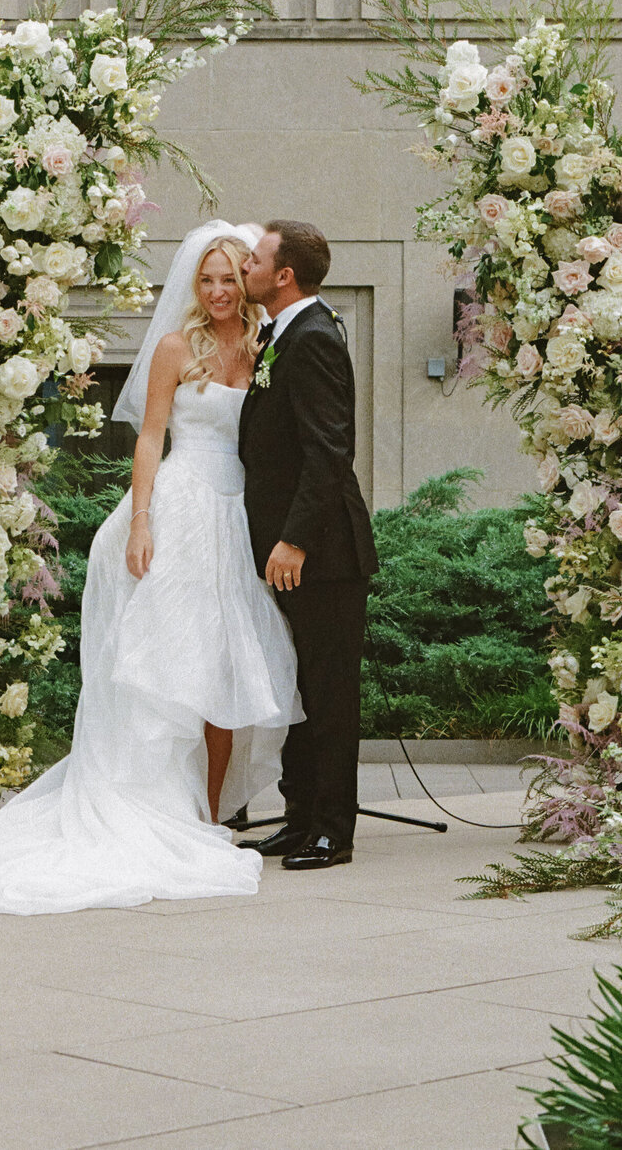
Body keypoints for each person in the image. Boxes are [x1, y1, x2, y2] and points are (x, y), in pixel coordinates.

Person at [0, 221, 299, 916]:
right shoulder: (178, 348)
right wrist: (141, 520)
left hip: (238, 519)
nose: (215, 291)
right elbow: (149, 437)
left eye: (228, 279)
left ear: (249, 282)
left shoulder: (270, 347)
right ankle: (170, 810)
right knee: (174, 669)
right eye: (205, 279)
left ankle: (211, 817)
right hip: (177, 513)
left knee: (228, 668)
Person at [238, 221, 378, 870]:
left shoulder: (316, 338)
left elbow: (329, 452)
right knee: (296, 691)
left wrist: (293, 540)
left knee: (327, 696)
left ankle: (331, 830)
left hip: (323, 554)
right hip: (290, 552)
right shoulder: (283, 334)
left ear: (284, 274)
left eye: (256, 258)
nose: (245, 265)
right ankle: (298, 819)